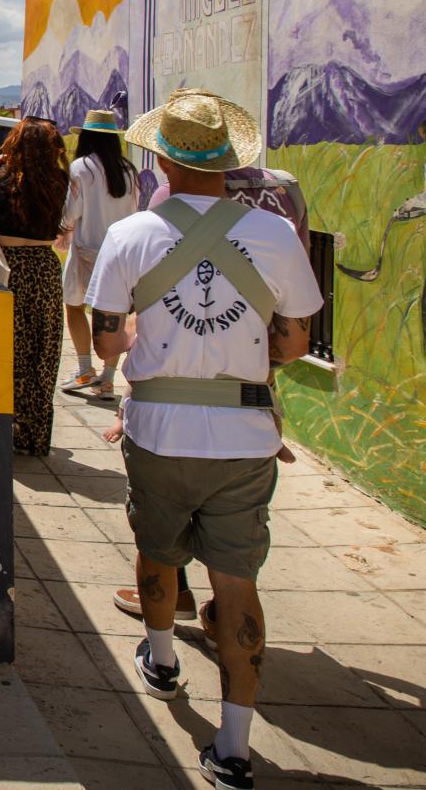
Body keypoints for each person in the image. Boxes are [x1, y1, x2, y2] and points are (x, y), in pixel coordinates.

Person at [85, 88, 322, 790]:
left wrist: (148, 341)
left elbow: (107, 337)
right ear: (229, 159)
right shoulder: (275, 236)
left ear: (162, 158)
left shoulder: (132, 235)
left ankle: (160, 660)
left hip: (159, 431)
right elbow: (296, 339)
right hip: (245, 437)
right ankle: (236, 748)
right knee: (238, 584)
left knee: (157, 553)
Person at [108, 164, 311, 622]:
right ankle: (226, 612)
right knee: (235, 547)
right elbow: (292, 325)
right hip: (250, 380)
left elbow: (152, 305)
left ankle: (170, 602)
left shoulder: (167, 200)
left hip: (167, 392)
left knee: (162, 524)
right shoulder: (286, 192)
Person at [0, 117, 70, 455]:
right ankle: (35, 432)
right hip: (45, 268)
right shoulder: (60, 181)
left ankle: (5, 425)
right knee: (43, 352)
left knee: (10, 352)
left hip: (8, 268)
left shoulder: (1, 178)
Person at [59, 108, 138, 400]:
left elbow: (71, 212)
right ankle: (107, 377)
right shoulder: (128, 170)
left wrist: (62, 229)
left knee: (74, 306)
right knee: (113, 312)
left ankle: (84, 368)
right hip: (120, 254)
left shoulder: (82, 167)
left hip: (85, 251)